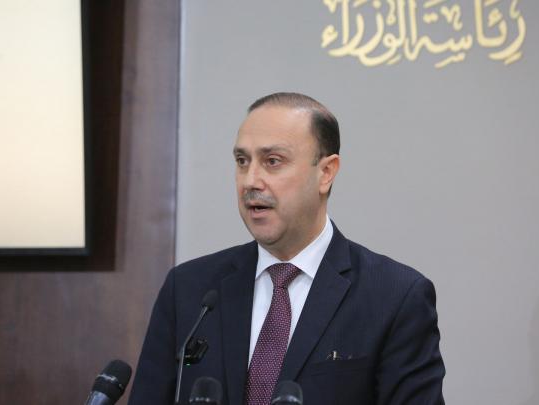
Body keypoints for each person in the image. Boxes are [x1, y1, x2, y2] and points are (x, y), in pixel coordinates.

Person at [128, 92, 445, 405]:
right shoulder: (189, 289)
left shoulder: (395, 297)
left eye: (272, 161)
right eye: (242, 161)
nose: (250, 181)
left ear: (326, 173)